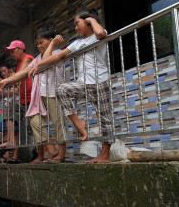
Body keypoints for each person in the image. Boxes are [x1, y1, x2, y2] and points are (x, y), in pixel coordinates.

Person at [30, 10, 115, 164]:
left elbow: (101, 33)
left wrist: (91, 19)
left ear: (88, 22)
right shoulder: (77, 43)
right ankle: (78, 123)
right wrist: (38, 65)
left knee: (105, 118)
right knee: (62, 90)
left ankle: (104, 155)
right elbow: (57, 56)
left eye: (77, 23)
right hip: (83, 82)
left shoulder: (97, 34)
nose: (75, 28)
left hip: (100, 81)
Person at [0, 30, 68, 164]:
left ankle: (61, 155)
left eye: (42, 43)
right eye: (37, 44)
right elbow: (24, 72)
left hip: (54, 92)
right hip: (40, 96)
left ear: (51, 40)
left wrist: (52, 45)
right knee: (35, 122)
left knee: (58, 123)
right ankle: (52, 151)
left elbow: (46, 61)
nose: (39, 46)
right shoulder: (37, 59)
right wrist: (6, 81)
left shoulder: (57, 52)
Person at [0, 63, 19, 161]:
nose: (3, 73)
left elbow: (17, 90)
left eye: (5, 71)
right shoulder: (1, 82)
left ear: (9, 70)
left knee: (16, 132)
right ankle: (6, 156)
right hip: (2, 109)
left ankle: (15, 156)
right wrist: (7, 92)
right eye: (1, 72)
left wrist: (4, 92)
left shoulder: (14, 77)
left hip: (13, 107)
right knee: (4, 131)